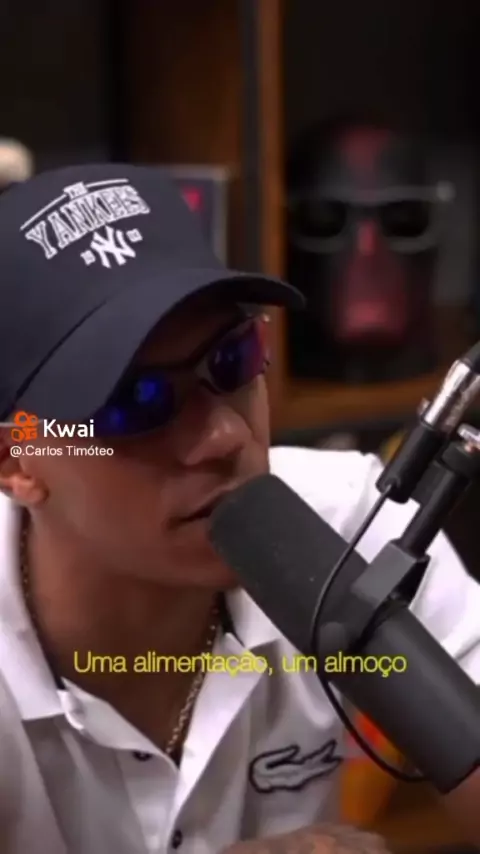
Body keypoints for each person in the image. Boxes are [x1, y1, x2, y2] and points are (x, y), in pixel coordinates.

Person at [0, 163, 479, 854]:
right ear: (16, 460)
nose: (225, 435)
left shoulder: (351, 523)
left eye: (232, 360)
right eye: (137, 402)